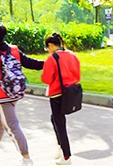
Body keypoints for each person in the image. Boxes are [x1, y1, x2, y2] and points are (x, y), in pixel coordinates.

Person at [0, 22, 44, 166]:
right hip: (15, 92)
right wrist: (47, 63)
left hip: (0, 96)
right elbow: (30, 62)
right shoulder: (14, 50)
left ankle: (26, 158)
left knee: (12, 126)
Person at [42, 33, 80, 165]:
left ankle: (66, 156)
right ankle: (60, 147)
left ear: (51, 45)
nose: (47, 50)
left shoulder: (52, 59)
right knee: (55, 119)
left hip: (57, 94)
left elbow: (46, 79)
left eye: (47, 47)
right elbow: (77, 74)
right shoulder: (72, 55)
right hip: (71, 93)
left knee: (60, 124)